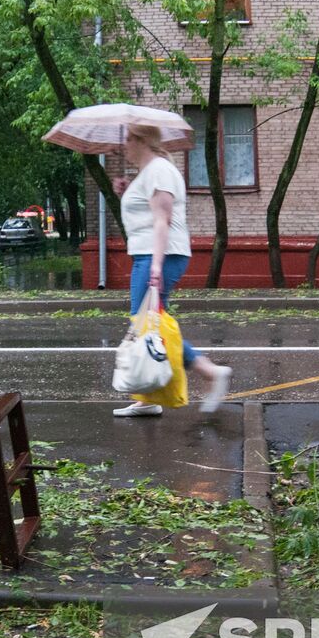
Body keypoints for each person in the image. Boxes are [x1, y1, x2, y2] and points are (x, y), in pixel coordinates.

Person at [111, 123, 232, 417]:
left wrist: (155, 264)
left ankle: (211, 372)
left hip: (159, 256)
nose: (122, 145)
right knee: (148, 323)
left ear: (142, 140)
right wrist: (127, 191)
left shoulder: (159, 170)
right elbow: (146, 214)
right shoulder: (149, 172)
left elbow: (162, 220)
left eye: (127, 139)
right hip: (150, 255)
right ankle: (149, 397)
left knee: (146, 323)